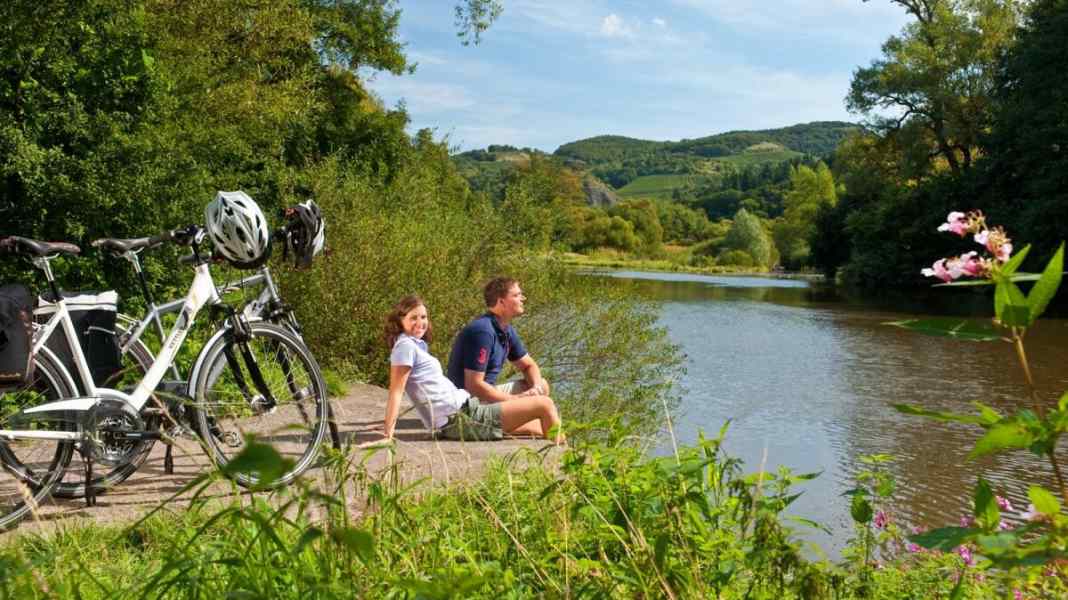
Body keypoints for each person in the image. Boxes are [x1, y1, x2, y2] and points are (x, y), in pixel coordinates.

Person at [382, 295, 562, 443]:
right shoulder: (405, 347)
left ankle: (559, 445)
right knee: (545, 405)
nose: (420, 322)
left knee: (540, 426)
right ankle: (565, 459)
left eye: (423, 317)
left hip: (465, 409)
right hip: (459, 419)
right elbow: (396, 391)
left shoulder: (415, 344)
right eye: (413, 318)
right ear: (400, 320)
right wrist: (388, 433)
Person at [446, 277, 549, 404]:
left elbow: (528, 365)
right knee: (544, 406)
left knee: (542, 385)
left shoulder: (505, 329)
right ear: (501, 302)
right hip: (468, 402)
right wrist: (516, 399)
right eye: (517, 295)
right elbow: (473, 385)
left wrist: (536, 388)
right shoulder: (482, 332)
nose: (523, 298)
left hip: (485, 394)